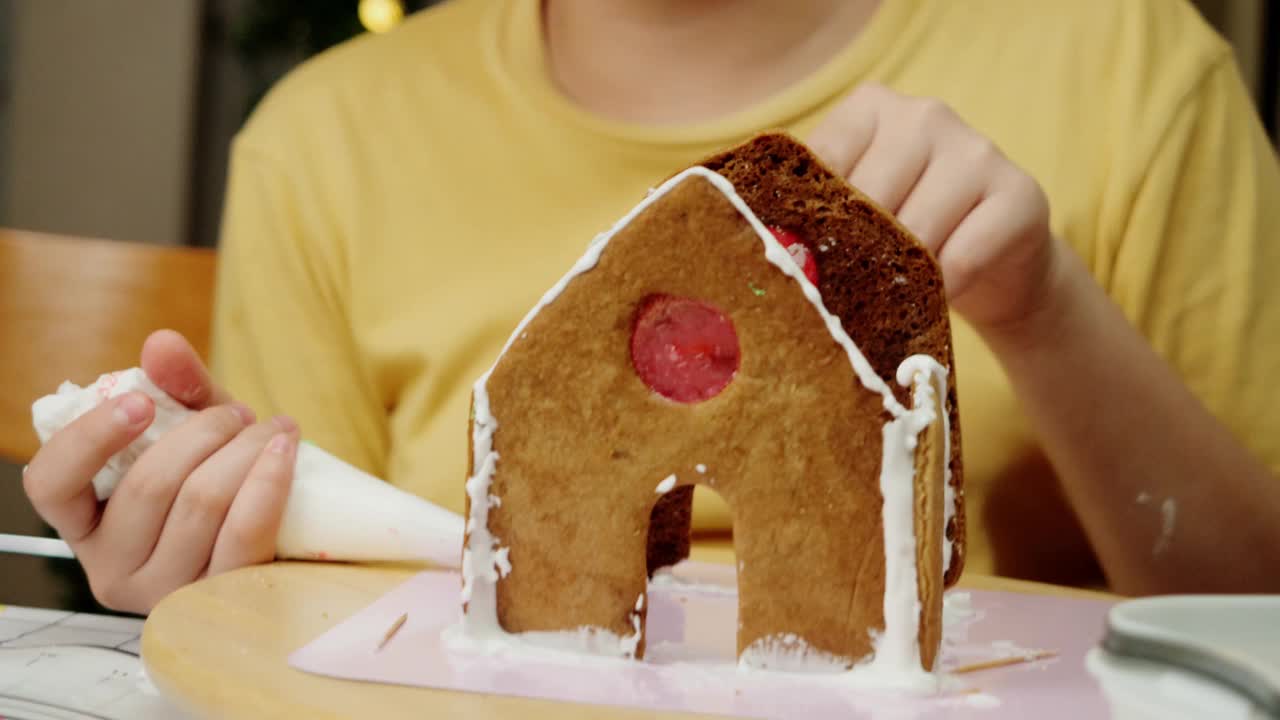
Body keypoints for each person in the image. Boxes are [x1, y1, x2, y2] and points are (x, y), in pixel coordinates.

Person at [23, 0, 1280, 614]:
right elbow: (311, 603)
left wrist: (1043, 308)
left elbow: (1253, 607)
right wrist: (199, 570)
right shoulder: (323, 142)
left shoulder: (1128, 68)